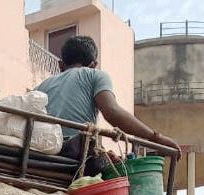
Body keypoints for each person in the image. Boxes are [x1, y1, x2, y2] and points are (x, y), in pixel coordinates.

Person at [36, 36, 180, 173]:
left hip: (40, 156)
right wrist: (156, 138)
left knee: (109, 157)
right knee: (122, 177)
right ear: (94, 65)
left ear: (60, 65)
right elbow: (111, 112)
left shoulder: (40, 87)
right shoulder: (95, 75)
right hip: (75, 156)